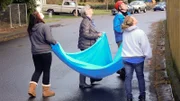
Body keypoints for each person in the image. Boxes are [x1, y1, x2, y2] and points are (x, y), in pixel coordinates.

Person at [121, 16, 152, 101]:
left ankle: (129, 97)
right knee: (140, 77)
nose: (136, 18)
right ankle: (142, 96)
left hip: (126, 58)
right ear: (133, 22)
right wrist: (149, 57)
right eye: (134, 18)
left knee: (128, 78)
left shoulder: (124, 32)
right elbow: (145, 46)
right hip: (138, 59)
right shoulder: (140, 32)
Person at [27, 11, 56, 97]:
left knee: (38, 70)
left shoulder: (30, 28)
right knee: (46, 70)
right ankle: (46, 91)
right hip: (45, 52)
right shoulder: (45, 26)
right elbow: (49, 39)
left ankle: (31, 89)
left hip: (35, 52)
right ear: (39, 17)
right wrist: (55, 42)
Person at [78, 5, 102, 89]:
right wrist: (97, 35)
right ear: (86, 11)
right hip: (85, 45)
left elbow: (91, 31)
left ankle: (92, 78)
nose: (92, 9)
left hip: (89, 44)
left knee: (90, 62)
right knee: (85, 64)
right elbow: (85, 34)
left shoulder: (89, 20)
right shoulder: (86, 21)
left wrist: (98, 33)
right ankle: (82, 83)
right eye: (90, 9)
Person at [113, 1, 130, 80]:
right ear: (119, 8)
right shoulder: (118, 16)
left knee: (127, 54)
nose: (125, 5)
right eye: (123, 4)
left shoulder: (128, 14)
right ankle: (122, 71)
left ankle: (122, 70)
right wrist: (125, 28)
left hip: (128, 38)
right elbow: (116, 28)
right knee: (122, 55)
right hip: (121, 39)